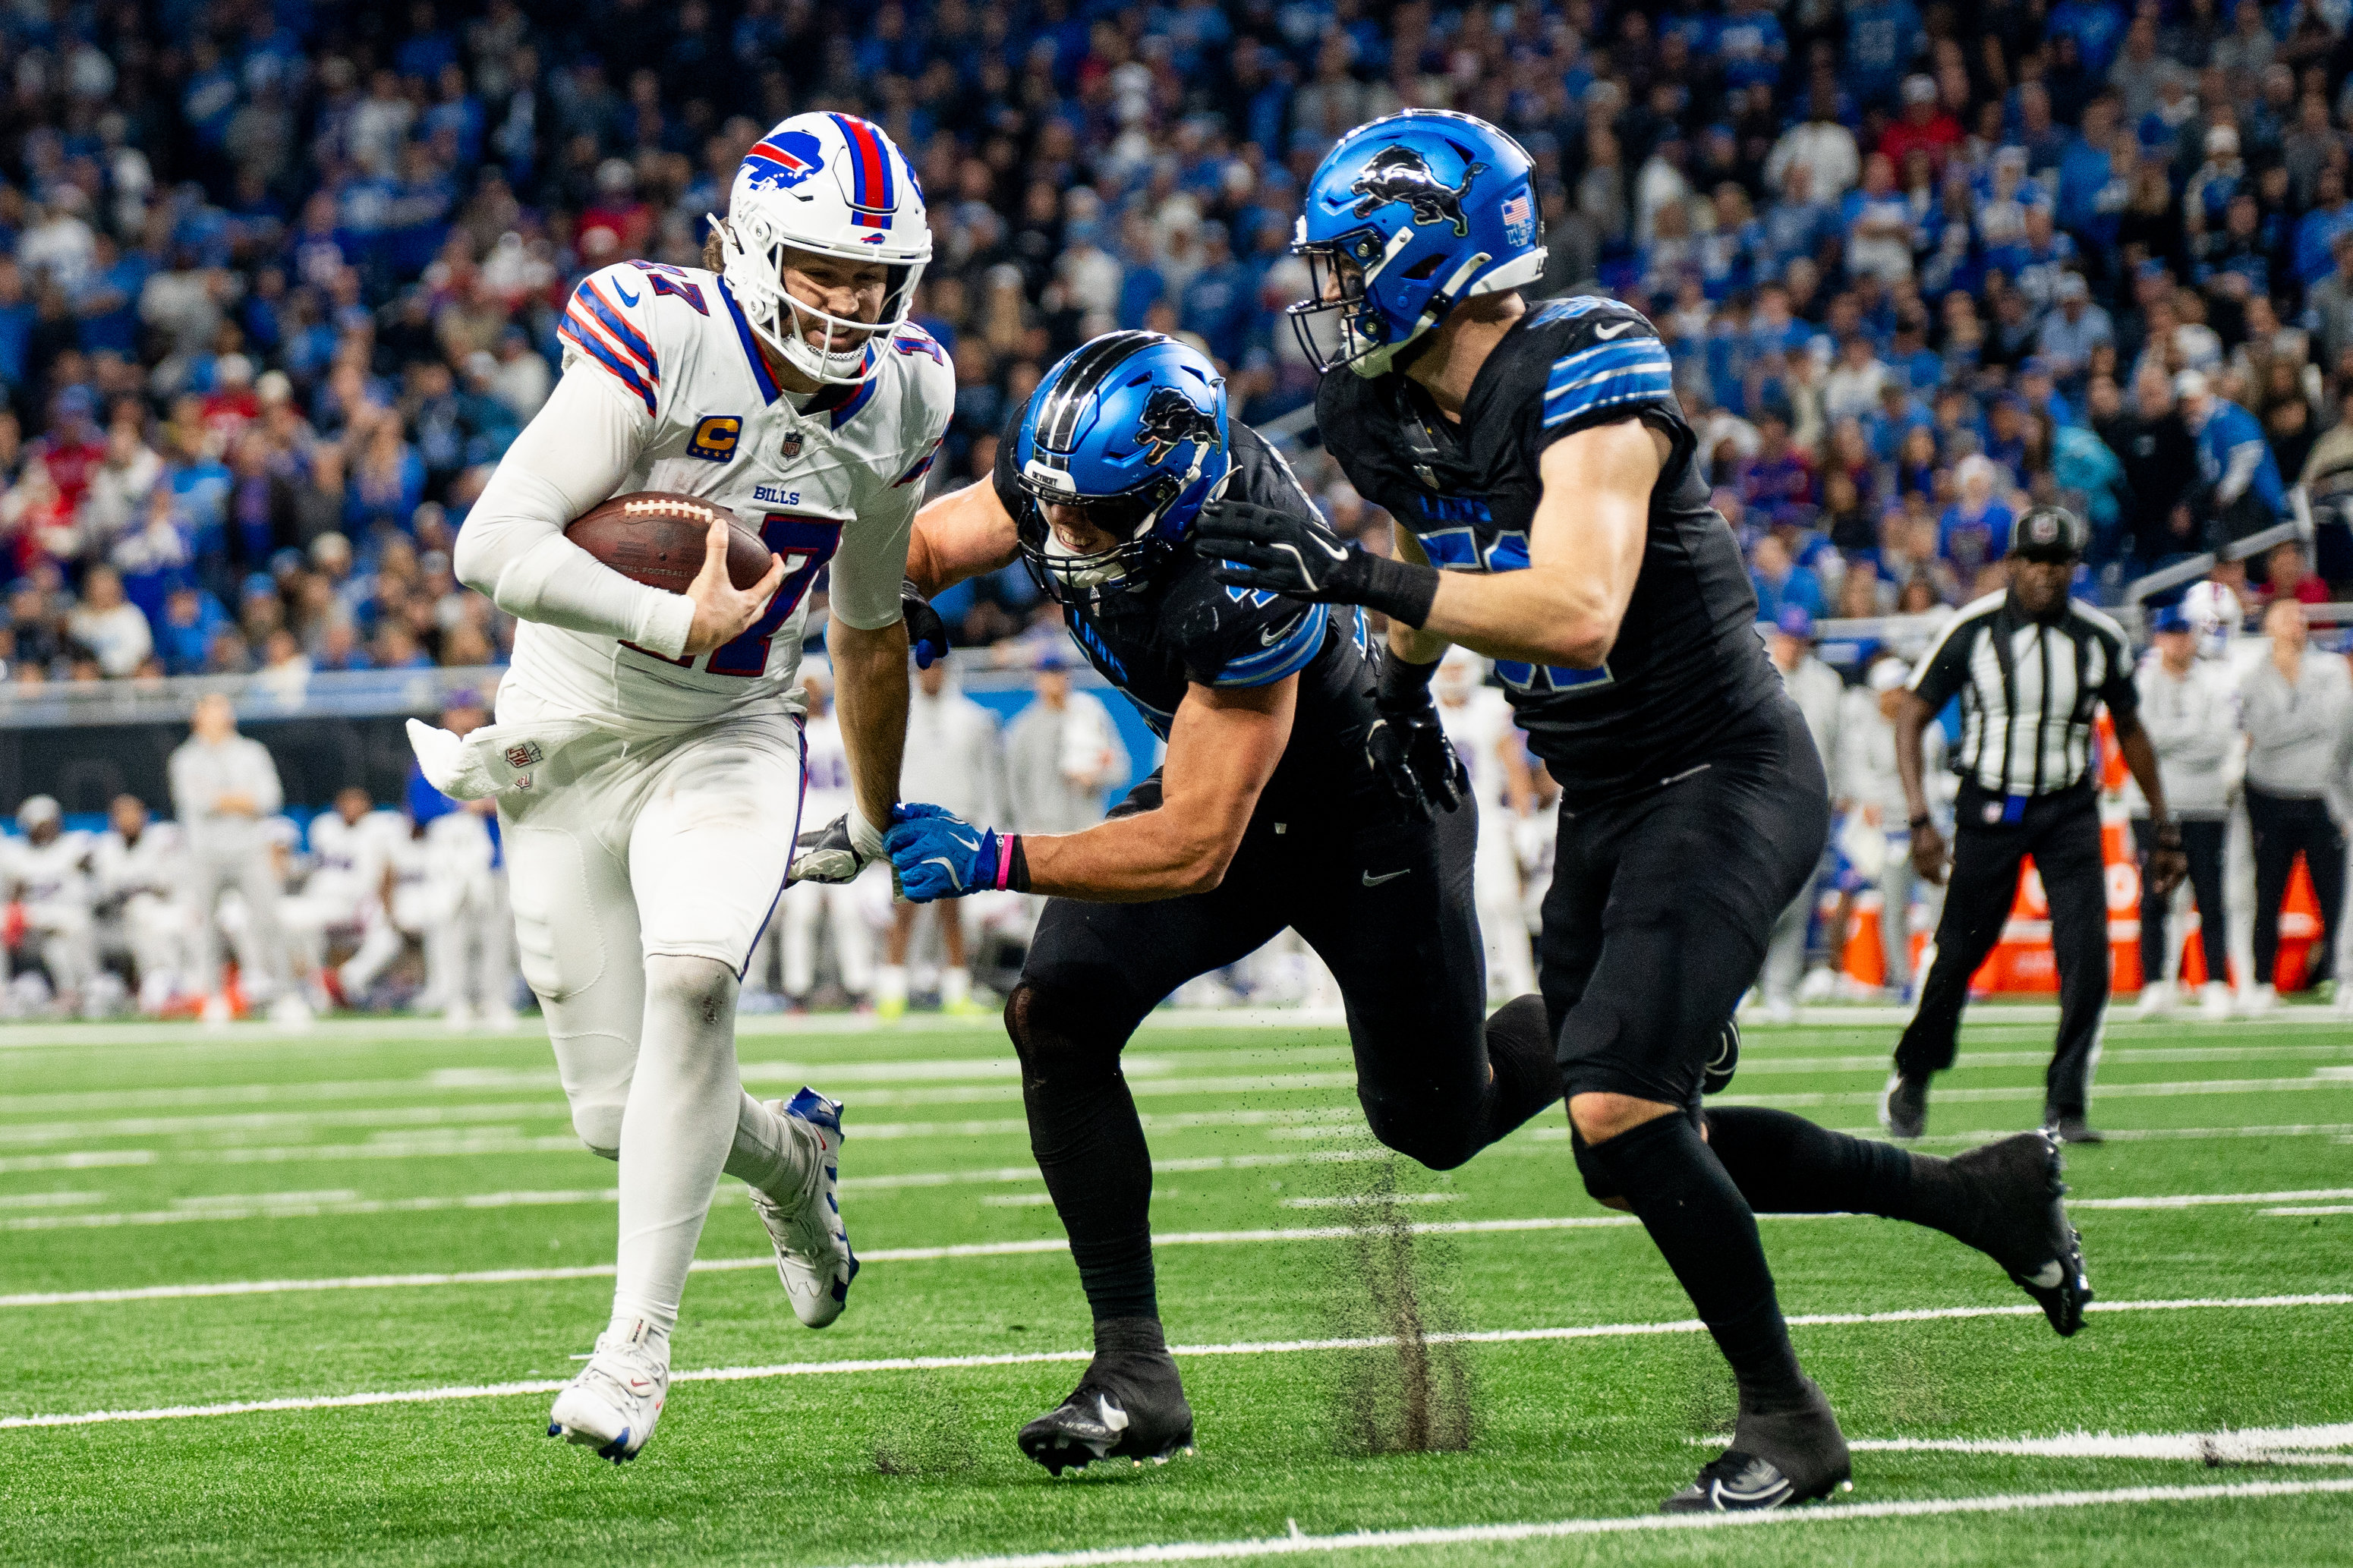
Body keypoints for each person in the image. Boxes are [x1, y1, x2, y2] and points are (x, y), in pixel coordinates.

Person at [1202, 109, 2099, 1515]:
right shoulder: (1384, 408)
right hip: (1608, 800)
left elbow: (1575, 609)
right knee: (1614, 1145)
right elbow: (1447, 545)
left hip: (1723, 773)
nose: (1325, 296)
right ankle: (1983, 1197)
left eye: (1346, 263)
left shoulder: (1587, 361)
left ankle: (1792, 1425)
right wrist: (1397, 690)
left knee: (1621, 1107)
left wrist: (1351, 585)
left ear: (1429, 255)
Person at [890, 328, 1564, 1475]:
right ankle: (1133, 1374)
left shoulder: (1244, 567)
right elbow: (924, 542)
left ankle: (1616, 1025)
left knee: (1436, 1127)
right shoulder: (1075, 474)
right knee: (1054, 1012)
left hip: (1361, 818)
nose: (1064, 538)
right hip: (1225, 781)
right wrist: (879, 597)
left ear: (1174, 494)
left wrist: (997, 856)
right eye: (1053, 507)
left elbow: (1196, 847)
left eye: (1097, 518)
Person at [409, 112, 955, 1463]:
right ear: (754, 249)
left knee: (696, 982)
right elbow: (494, 540)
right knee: (614, 1117)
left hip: (731, 734)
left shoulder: (905, 398)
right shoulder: (659, 331)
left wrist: (876, 815)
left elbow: (871, 623)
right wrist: (669, 620)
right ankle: (792, 1161)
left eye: (875, 278)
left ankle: (632, 1352)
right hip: (568, 728)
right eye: (824, 270)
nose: (852, 304)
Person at [1885, 507, 2187, 1145]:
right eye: (2034, 562)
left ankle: (2066, 1102)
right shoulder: (1971, 630)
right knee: (1959, 954)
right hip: (1990, 808)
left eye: (2058, 564)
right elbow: (1911, 713)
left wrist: (2163, 822)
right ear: (2012, 564)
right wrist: (1920, 819)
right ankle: (1914, 1073)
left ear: (2074, 569)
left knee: (2088, 957)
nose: (2046, 576)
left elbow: (2130, 728)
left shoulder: (2099, 638)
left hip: (2067, 809)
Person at [2236, 598, 2351, 1009]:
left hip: (2322, 794)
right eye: (2286, 616)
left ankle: (2343, 978)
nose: (2295, 623)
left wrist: (2283, 727)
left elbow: (2334, 723)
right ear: (2267, 624)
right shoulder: (2251, 675)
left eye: (2301, 616)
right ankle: (2262, 981)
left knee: (2335, 895)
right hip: (2267, 793)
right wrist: (2300, 726)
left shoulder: (2331, 668)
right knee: (2267, 893)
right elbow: (2260, 731)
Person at [2130, 603, 2240, 1019]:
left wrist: (2172, 742)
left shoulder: (2213, 682)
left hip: (2205, 805)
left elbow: (2220, 741)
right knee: (2154, 897)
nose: (2178, 641)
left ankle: (2214, 982)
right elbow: (2145, 738)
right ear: (2159, 638)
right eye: (2170, 633)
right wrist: (2189, 737)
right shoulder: (2142, 680)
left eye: (2184, 633)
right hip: (2154, 805)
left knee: (2210, 897)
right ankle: (2156, 983)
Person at [878, 653, 1003, 1018]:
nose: (930, 674)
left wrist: (983, 826)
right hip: (910, 828)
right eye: (924, 668)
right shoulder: (900, 717)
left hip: (956, 826)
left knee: (953, 912)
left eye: (936, 668)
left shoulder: (971, 719)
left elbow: (985, 778)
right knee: (904, 910)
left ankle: (956, 992)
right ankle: (891, 994)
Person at [169, 691, 301, 1024]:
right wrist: (242, 801)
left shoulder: (251, 752)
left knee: (269, 922)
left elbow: (270, 798)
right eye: (212, 711)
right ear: (198, 717)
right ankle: (213, 998)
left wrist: (222, 800)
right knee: (207, 930)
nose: (219, 717)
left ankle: (286, 996)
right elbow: (196, 802)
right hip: (205, 853)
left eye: (223, 711)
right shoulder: (185, 759)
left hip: (250, 850)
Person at [1832, 655, 1946, 1000]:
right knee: (1893, 906)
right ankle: (1902, 979)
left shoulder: (1928, 728)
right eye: (1894, 690)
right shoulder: (1864, 729)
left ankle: (1940, 977)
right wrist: (1876, 802)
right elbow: (1859, 776)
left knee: (1938, 903)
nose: (1899, 697)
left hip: (1924, 826)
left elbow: (1930, 779)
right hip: (1887, 830)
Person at [766, 660, 878, 1009]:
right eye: (807, 685)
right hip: (801, 834)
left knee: (850, 913)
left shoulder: (844, 728)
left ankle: (859, 987)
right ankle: (796, 991)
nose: (813, 693)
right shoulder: (787, 733)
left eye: (817, 685)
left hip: (842, 829)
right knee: (802, 914)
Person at [1433, 644, 1540, 1000]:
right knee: (1443, 906)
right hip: (1437, 817)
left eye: (1457, 668)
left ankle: (1520, 984)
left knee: (1503, 903)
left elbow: (1515, 769)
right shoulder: (1423, 704)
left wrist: (1525, 821)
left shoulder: (1490, 707)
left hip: (1489, 818)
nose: (1452, 677)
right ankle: (1457, 986)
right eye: (1446, 669)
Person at [1759, 606, 1844, 1018]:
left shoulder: (1828, 683)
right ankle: (1740, 986)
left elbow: (1839, 743)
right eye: (1787, 636)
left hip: (1810, 802)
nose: (1791, 645)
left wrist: (1843, 791)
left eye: (1798, 637)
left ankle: (1780, 987)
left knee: (1798, 899)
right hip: (1760, 799)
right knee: (1753, 896)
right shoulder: (1755, 674)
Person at [1002, 647, 1122, 834]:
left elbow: (1120, 769)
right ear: (1037, 679)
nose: (1055, 679)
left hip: (1087, 827)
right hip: (1044, 832)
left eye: (1059, 672)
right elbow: (1013, 787)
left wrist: (1095, 777)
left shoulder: (1090, 714)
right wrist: (1025, 830)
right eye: (1048, 673)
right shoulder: (1023, 728)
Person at [90, 793, 191, 1015]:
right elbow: (105, 896)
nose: (128, 820)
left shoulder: (160, 841)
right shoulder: (106, 848)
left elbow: (168, 887)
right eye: (122, 815)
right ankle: (159, 986)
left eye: (133, 814)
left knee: (161, 918)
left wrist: (138, 890)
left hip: (160, 913)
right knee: (142, 910)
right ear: (113, 820)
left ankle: (171, 986)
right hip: (116, 922)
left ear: (144, 816)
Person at [2, 795, 97, 1016]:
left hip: (67, 916)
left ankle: (78, 992)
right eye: (39, 825)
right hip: (31, 922)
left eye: (50, 823)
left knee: (64, 939)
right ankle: (3, 992)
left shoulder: (74, 844)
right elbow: (13, 897)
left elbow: (89, 862)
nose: (46, 830)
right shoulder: (15, 854)